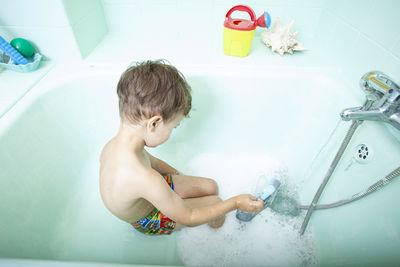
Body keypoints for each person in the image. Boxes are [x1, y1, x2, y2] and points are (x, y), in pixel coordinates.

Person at [99, 60, 264, 235]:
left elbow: (151, 161)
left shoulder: (114, 146)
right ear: (154, 124)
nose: (173, 131)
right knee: (216, 202)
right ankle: (220, 231)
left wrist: (178, 176)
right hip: (149, 218)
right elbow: (189, 217)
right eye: (174, 127)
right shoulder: (143, 178)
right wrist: (235, 203)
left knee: (210, 186)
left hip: (149, 193)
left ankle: (190, 204)